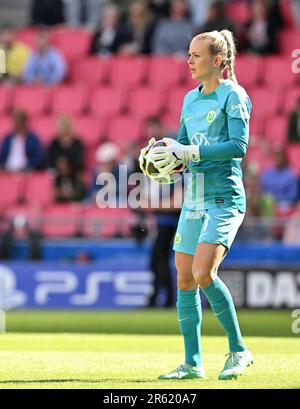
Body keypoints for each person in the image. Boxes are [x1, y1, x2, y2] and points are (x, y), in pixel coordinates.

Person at [139, 29, 253, 380]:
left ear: (217, 60)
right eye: (189, 54)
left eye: (196, 55)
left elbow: (238, 146)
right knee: (186, 280)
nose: (189, 60)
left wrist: (189, 152)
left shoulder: (233, 96)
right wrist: (164, 158)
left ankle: (238, 350)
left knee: (205, 274)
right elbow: (184, 149)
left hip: (224, 198)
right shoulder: (190, 99)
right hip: (195, 199)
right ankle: (192, 363)